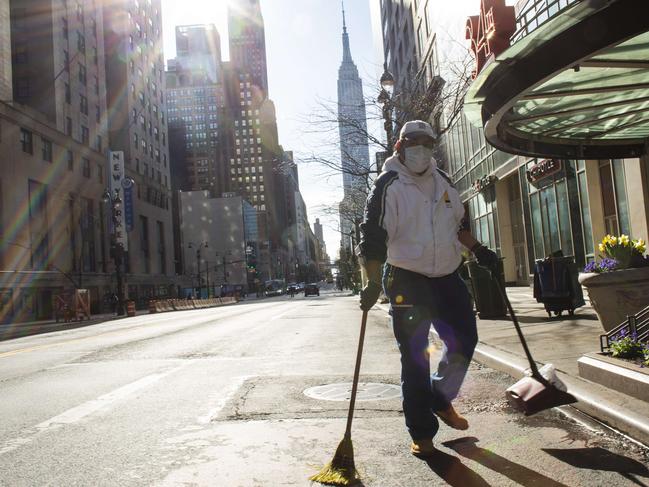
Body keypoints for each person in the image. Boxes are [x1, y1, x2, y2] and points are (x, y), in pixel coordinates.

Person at [357, 120, 499, 458]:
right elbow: (372, 239)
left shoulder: (444, 182)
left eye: (427, 143)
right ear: (399, 147)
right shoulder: (387, 186)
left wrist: (479, 250)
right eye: (414, 142)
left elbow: (459, 227)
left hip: (448, 274)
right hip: (407, 278)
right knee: (416, 357)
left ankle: (439, 398)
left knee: (464, 341)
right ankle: (422, 432)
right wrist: (372, 282)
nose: (421, 149)